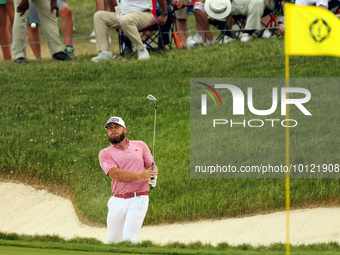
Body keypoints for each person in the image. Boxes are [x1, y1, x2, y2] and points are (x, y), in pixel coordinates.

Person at [98, 117, 158, 243]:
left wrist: (153, 173)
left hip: (139, 197)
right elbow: (115, 173)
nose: (113, 130)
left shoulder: (140, 145)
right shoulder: (105, 153)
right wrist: (141, 176)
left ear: (124, 129)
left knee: (129, 238)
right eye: (110, 128)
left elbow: (151, 165)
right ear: (107, 133)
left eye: (116, 127)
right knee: (113, 240)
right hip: (117, 199)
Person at [91, 0, 168, 61]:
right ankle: (105, 53)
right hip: (123, 16)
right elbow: (113, 1)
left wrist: (164, 14)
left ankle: (142, 50)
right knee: (99, 16)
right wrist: (115, 16)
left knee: (125, 19)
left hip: (144, 14)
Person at [196, 0, 274, 43]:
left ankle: (247, 33)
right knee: (216, 5)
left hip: (254, 3)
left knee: (258, 2)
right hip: (234, 4)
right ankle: (227, 35)